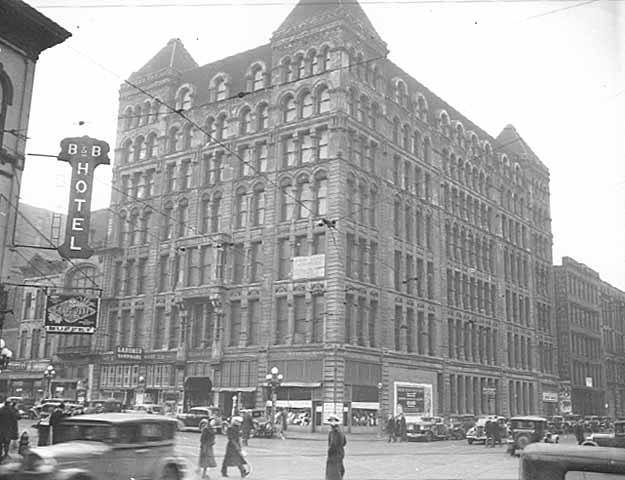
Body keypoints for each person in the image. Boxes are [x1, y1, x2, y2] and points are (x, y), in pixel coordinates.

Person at [325, 415, 346, 480]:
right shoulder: (340, 430)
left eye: (332, 421)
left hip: (334, 455)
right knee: (339, 470)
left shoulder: (334, 431)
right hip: (340, 453)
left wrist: (329, 451)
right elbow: (344, 442)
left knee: (333, 473)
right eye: (330, 421)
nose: (330, 423)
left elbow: (333, 444)